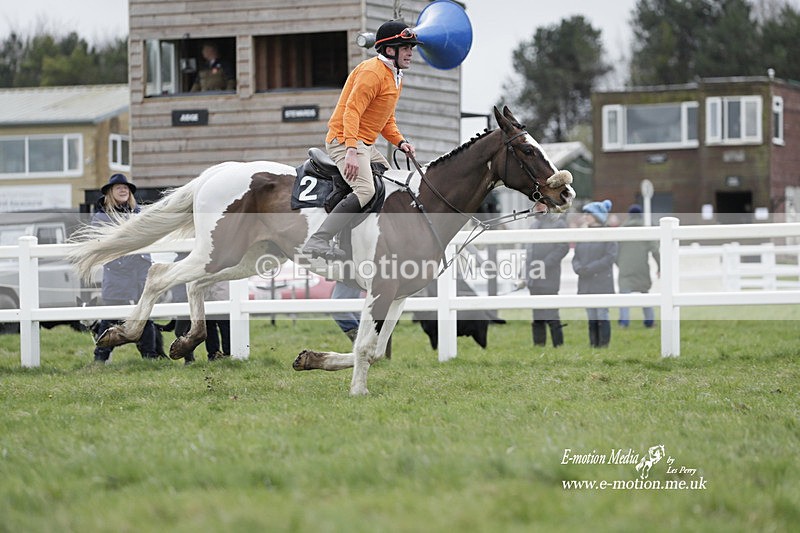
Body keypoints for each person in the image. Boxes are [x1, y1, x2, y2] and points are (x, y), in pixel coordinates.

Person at [301, 19, 418, 261]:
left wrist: (400, 142)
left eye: (411, 48)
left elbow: (386, 119)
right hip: (344, 140)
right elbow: (351, 112)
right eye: (405, 48)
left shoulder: (395, 76)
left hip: (364, 143)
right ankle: (319, 240)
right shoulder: (372, 72)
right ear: (389, 50)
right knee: (366, 189)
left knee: (392, 184)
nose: (410, 53)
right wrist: (352, 151)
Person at [92, 174, 160, 362]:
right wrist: (120, 262)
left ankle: (150, 358)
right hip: (118, 273)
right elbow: (99, 243)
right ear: (110, 192)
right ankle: (100, 358)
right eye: (118, 187)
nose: (123, 190)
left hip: (140, 271)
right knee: (111, 316)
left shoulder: (139, 213)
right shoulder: (102, 216)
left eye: (126, 187)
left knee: (145, 314)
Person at [572, 200, 618, 348]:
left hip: (601, 281)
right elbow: (576, 257)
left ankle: (603, 345)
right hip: (586, 281)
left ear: (597, 216)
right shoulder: (582, 233)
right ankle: (594, 344)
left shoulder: (608, 234)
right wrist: (578, 268)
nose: (585, 216)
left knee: (602, 315)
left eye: (589, 214)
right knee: (591, 316)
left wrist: (589, 268)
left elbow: (609, 258)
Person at [524, 213, 569, 348]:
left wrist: (543, 265)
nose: (538, 205)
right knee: (537, 315)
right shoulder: (534, 225)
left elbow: (562, 248)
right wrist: (526, 274)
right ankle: (539, 346)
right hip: (534, 278)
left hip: (549, 276)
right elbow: (529, 253)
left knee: (551, 314)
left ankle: (558, 345)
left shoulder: (559, 224)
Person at [616, 204, 660, 328]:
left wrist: (619, 263)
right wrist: (660, 267)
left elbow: (614, 250)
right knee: (645, 293)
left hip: (625, 268)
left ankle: (624, 322)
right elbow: (655, 250)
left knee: (624, 296)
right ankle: (649, 321)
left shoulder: (621, 230)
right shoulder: (646, 230)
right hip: (642, 268)